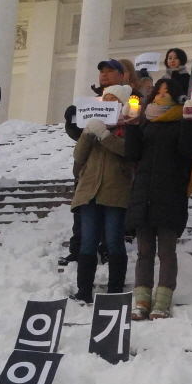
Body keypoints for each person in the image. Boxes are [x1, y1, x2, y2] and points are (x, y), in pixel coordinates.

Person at [124, 78, 192, 320]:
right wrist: (133, 125)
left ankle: (162, 302)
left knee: (166, 252)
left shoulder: (180, 123)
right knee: (144, 252)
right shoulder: (146, 124)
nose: (162, 95)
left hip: (170, 196)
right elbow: (132, 154)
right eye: (159, 92)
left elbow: (187, 153)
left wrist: (189, 122)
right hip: (144, 196)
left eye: (168, 91)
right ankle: (142, 301)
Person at [71, 84, 136, 304]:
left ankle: (115, 289)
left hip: (116, 191)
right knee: (88, 241)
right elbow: (79, 155)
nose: (107, 102)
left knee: (114, 241)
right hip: (90, 191)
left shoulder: (128, 125)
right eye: (105, 98)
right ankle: (84, 291)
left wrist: (105, 135)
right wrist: (88, 133)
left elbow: (129, 151)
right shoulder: (94, 123)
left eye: (113, 99)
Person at [59, 59, 125, 266]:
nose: (104, 75)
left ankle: (106, 249)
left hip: (115, 172)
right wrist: (74, 123)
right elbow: (78, 140)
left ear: (121, 76)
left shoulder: (129, 104)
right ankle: (77, 248)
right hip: (89, 168)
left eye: (109, 71)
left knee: (110, 218)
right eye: (101, 72)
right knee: (84, 214)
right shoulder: (90, 103)